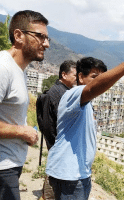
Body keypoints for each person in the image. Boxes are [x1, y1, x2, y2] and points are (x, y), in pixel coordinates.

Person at [46, 44, 124, 200]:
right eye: (95, 76)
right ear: (80, 77)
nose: (99, 81)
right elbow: (92, 89)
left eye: (102, 77)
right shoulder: (73, 94)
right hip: (70, 176)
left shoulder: (86, 104)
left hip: (80, 174)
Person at [0, 10, 50, 200]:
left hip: (11, 165)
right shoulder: (3, 68)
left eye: (47, 38)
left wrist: (24, 130)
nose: (46, 44)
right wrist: (21, 132)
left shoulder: (21, 71)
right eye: (40, 36)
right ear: (18, 35)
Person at [36, 60, 76, 200]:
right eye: (75, 75)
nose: (77, 78)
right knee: (53, 176)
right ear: (64, 75)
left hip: (57, 143)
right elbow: (49, 124)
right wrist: (56, 143)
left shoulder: (62, 91)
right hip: (57, 143)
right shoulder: (58, 93)